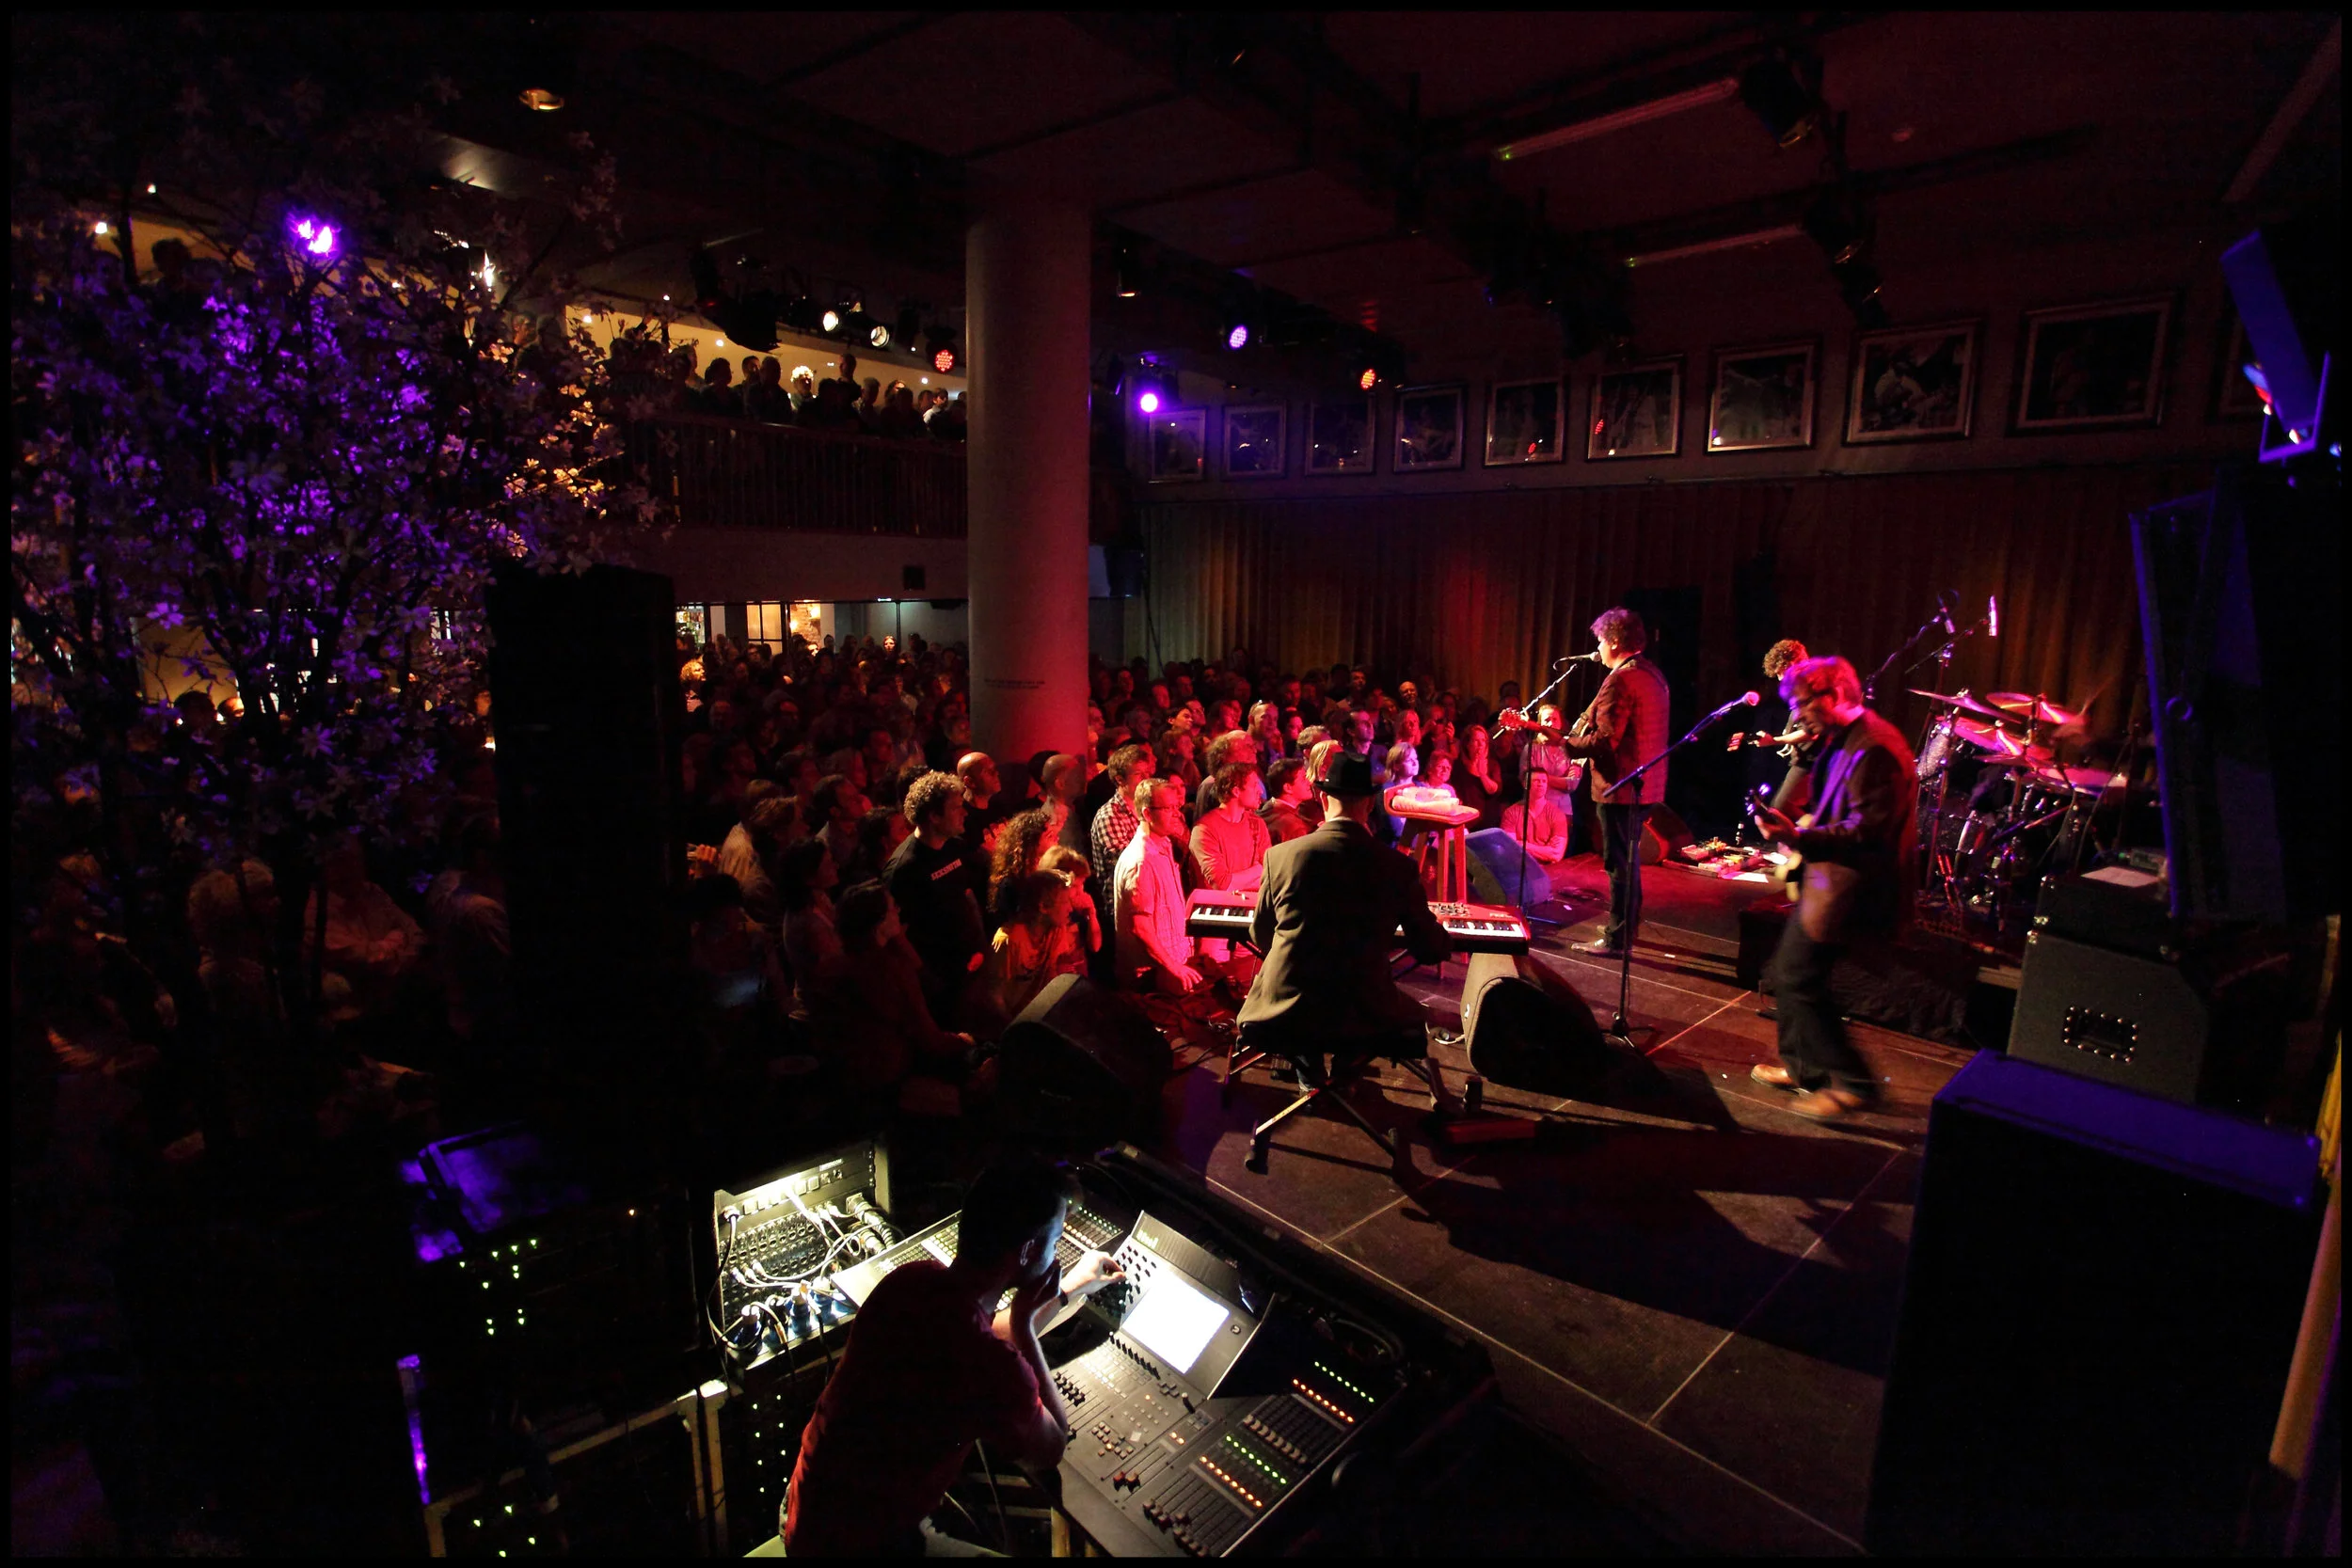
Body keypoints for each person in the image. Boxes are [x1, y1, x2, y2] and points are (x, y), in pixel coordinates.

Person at [783, 1161, 1124, 1556]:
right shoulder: (990, 1365)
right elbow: (1052, 1447)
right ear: (1030, 1250)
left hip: (809, 1512)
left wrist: (1069, 1290)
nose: (1056, 1251)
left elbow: (977, 1333)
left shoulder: (912, 1281)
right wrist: (1025, 1324)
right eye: (1055, 1240)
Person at [1748, 657, 1917, 1120]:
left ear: (1836, 695)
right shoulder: (1844, 740)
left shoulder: (1876, 747)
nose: (1798, 714)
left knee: (1798, 977)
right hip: (1830, 882)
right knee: (1792, 973)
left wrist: (1799, 836)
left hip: (1853, 889)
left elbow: (1869, 830)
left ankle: (1855, 1084)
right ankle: (1807, 1071)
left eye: (1804, 704)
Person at [1237, 752, 1450, 1068]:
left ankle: (1311, 1077)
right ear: (1368, 804)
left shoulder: (1280, 857)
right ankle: (1344, 1074)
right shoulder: (1398, 867)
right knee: (1387, 1010)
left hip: (1285, 1009)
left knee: (1311, 1008)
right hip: (1365, 1012)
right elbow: (1430, 950)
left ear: (1322, 798)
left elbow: (1261, 934)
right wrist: (1441, 927)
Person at [1560, 607, 1671, 958]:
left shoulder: (1620, 679)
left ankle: (1617, 938)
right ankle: (1624, 928)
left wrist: (1565, 743)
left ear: (1612, 641)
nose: (1598, 648)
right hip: (1648, 785)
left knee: (1618, 864)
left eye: (1599, 641)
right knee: (1629, 861)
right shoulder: (1653, 674)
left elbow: (1606, 741)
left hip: (1620, 787)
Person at [883, 770, 988, 1028]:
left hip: (965, 966)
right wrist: (926, 978)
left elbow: (965, 895)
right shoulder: (904, 868)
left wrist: (981, 943)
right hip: (937, 978)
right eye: (956, 808)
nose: (964, 813)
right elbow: (896, 933)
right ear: (933, 815)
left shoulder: (953, 844)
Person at [1113, 778, 1203, 995]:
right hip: (1153, 977)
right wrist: (1175, 968)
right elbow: (1140, 928)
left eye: (1177, 806)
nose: (1177, 814)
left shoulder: (1163, 845)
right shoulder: (1142, 861)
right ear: (1146, 813)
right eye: (1168, 808)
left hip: (1169, 970)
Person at [1259, 756, 1318, 845]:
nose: (1309, 783)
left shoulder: (1266, 810)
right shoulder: (1295, 827)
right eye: (1303, 779)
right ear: (1288, 788)